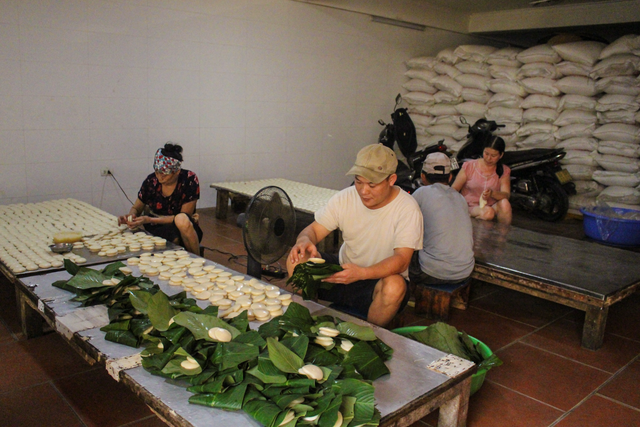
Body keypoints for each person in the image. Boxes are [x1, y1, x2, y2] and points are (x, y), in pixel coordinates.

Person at [287, 144, 423, 327]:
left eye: (372, 185)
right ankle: (308, 322)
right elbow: (313, 230)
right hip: (343, 272)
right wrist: (304, 241)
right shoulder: (345, 198)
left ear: (391, 180)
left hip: (376, 282)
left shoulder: (407, 208)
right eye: (359, 182)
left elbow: (402, 260)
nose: (363, 191)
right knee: (296, 258)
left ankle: (370, 335)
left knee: (394, 286)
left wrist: (363, 273)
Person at [118, 143, 203, 254]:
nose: (160, 176)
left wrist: (148, 219)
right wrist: (131, 216)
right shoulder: (151, 181)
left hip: (185, 228)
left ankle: (197, 259)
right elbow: (137, 208)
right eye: (157, 172)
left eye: (165, 174)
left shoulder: (189, 180)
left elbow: (184, 217)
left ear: (177, 171)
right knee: (168, 239)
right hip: (157, 227)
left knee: (180, 225)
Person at [410, 152, 474, 287]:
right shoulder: (460, 198)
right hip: (464, 272)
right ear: (450, 177)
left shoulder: (421, 193)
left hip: (431, 272)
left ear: (422, 176)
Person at [452, 135, 512, 224]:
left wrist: (492, 194)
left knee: (505, 204)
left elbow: (506, 195)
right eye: (486, 153)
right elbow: (454, 188)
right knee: (488, 212)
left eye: (493, 155)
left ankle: (502, 236)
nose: (488, 158)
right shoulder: (469, 166)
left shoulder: (504, 170)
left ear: (501, 155)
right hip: (470, 206)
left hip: (491, 205)